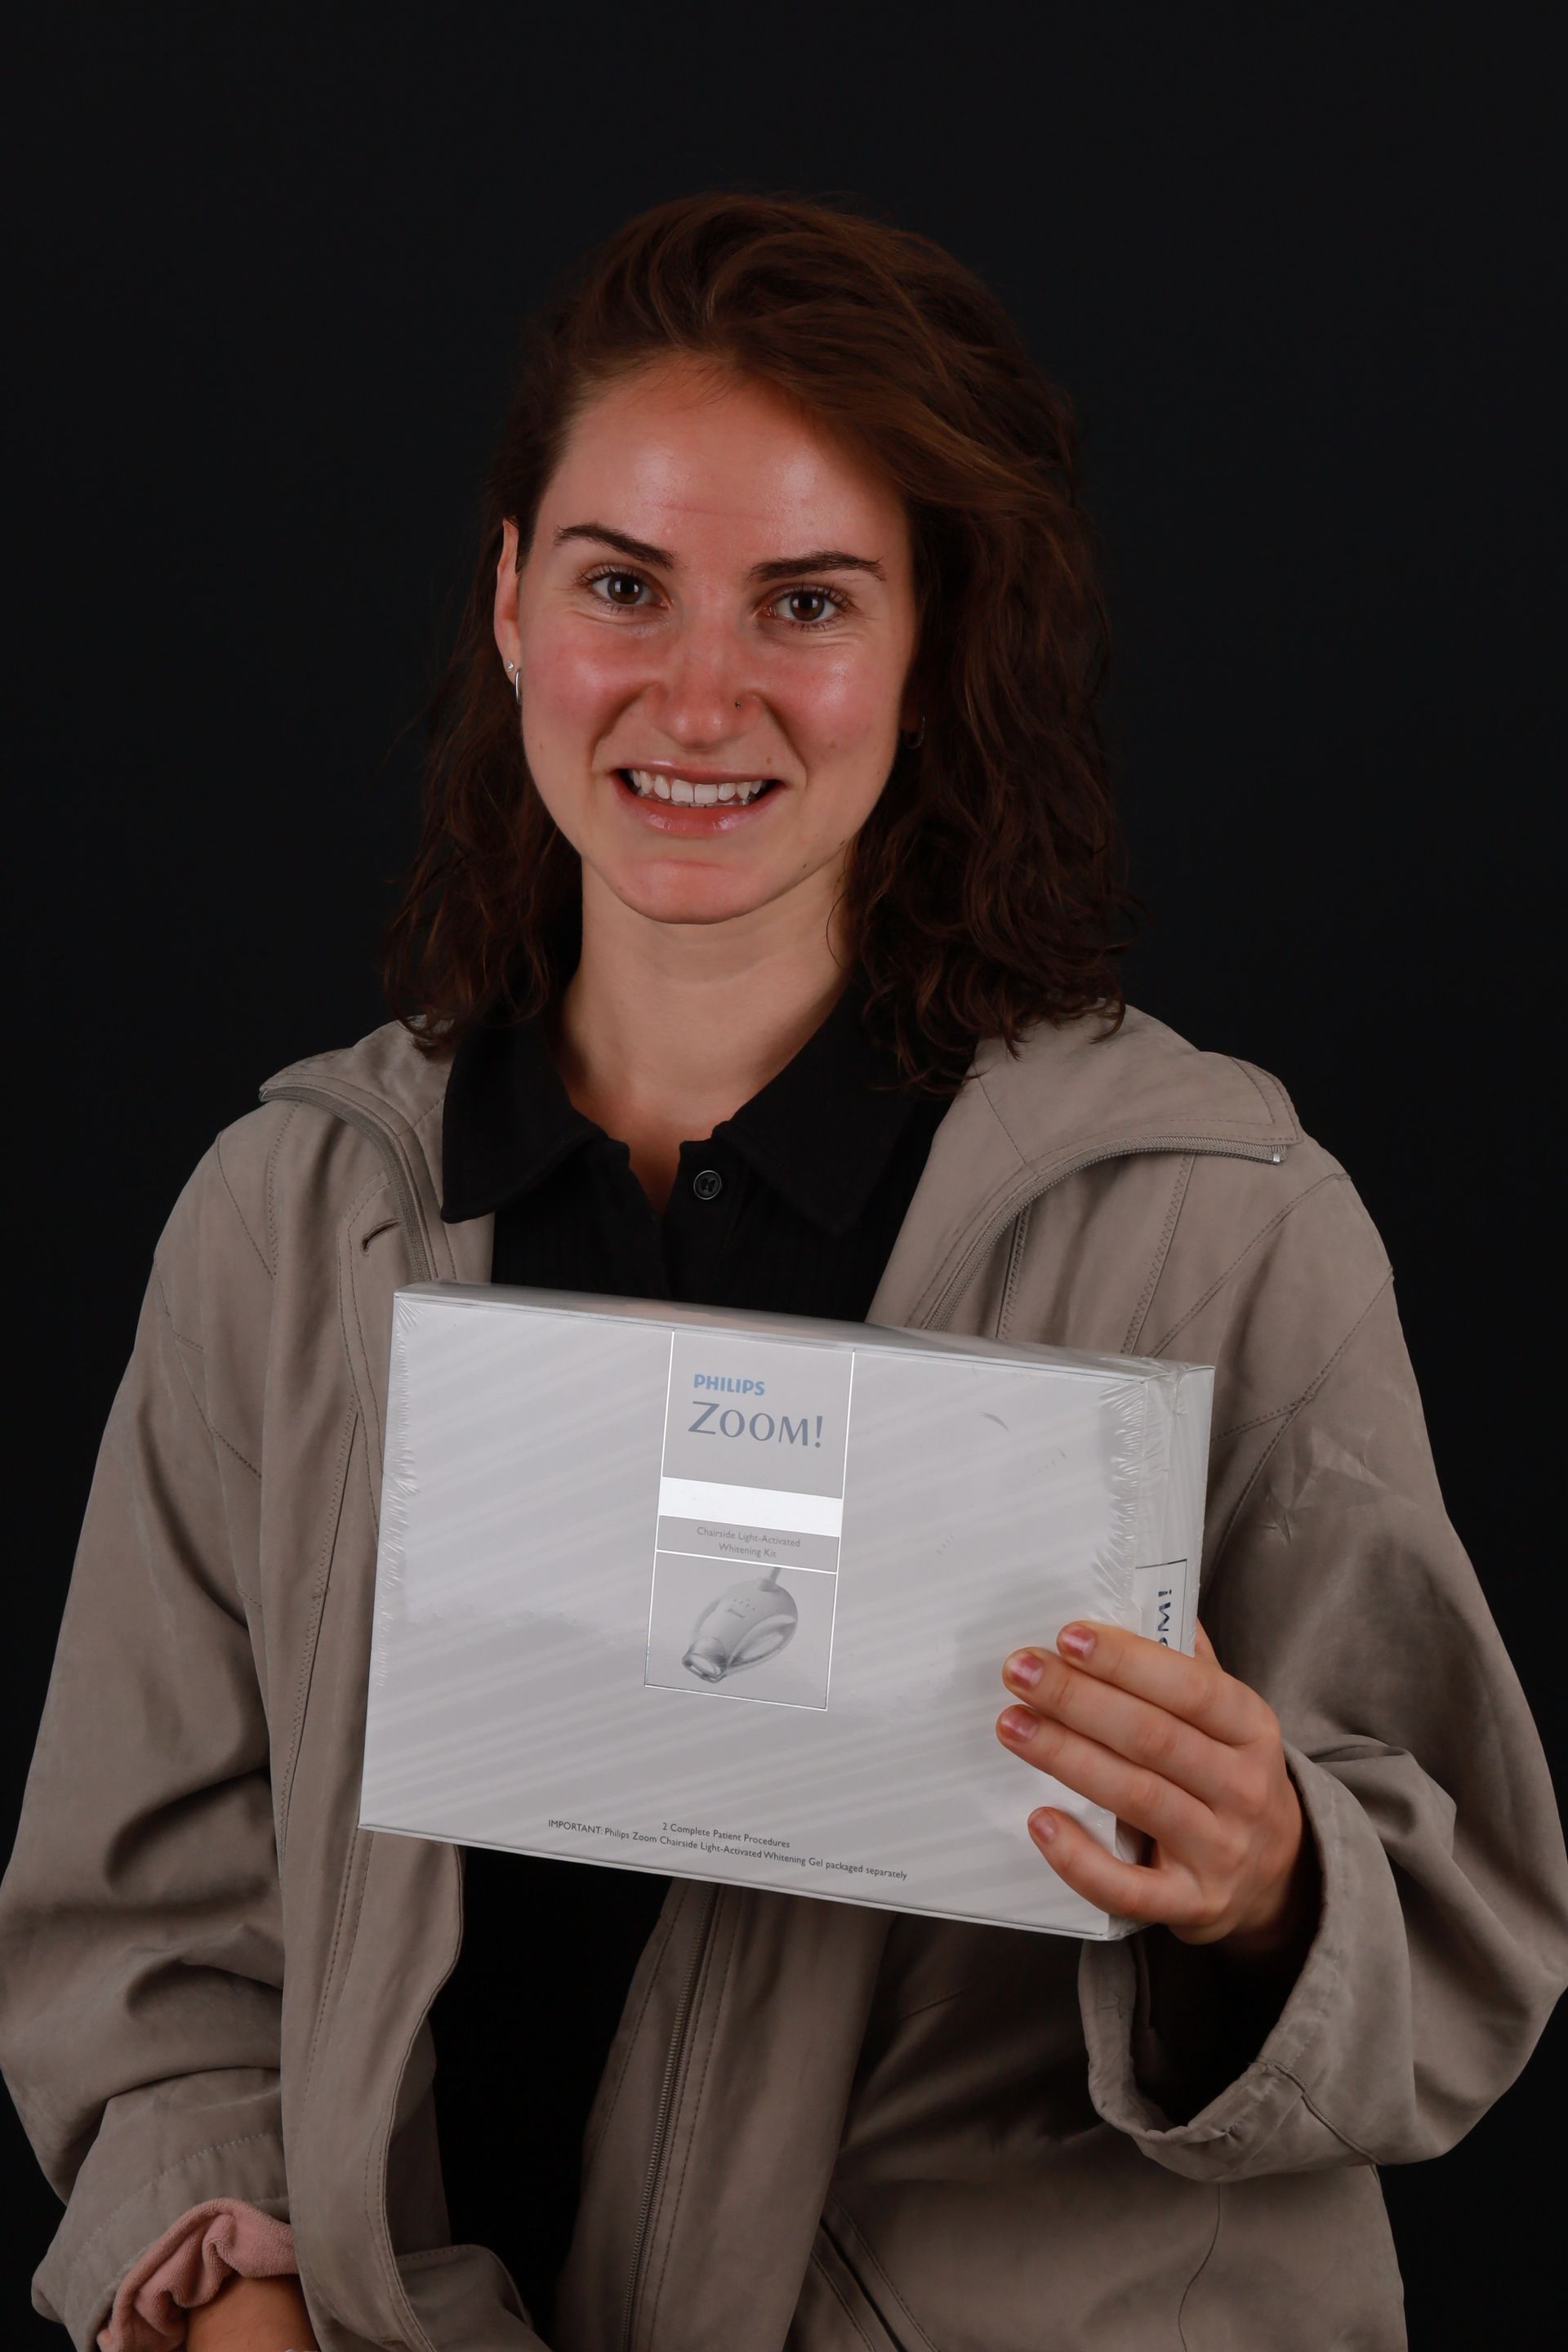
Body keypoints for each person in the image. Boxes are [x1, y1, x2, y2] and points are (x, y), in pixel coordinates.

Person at [2, 191, 1565, 2352]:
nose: (697, 692)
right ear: (512, 606)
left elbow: (1460, 1951)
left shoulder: (1219, 1225)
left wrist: (1270, 1882)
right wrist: (237, 2313)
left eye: (808, 602)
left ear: (934, 647)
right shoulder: (291, 1225)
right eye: (621, 584)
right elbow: (145, 1941)